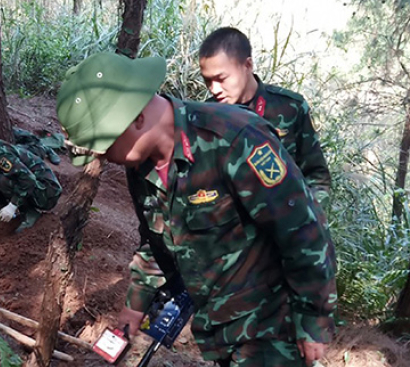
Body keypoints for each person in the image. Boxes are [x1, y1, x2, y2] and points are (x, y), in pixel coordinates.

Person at [56, 52, 337, 367]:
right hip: (219, 327)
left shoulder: (235, 139)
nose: (104, 157)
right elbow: (155, 239)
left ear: (135, 118)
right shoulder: (140, 167)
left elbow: (303, 231)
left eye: (106, 146)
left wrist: (313, 320)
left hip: (271, 328)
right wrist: (134, 308)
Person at [198, 27, 331, 205]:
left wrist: (308, 219)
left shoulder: (290, 107)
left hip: (285, 223)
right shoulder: (205, 117)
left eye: (221, 78)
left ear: (248, 65)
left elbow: (317, 176)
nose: (214, 89)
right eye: (207, 80)